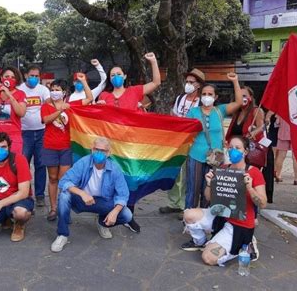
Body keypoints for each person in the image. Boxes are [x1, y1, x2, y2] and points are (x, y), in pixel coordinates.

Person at [97, 52, 161, 233]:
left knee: (131, 181)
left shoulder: (134, 92)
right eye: (112, 75)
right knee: (107, 182)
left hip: (131, 147)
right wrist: (98, 107)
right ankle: (103, 219)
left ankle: (128, 216)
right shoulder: (104, 95)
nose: (116, 77)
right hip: (109, 148)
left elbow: (156, 83)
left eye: (119, 74)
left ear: (125, 76)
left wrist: (153, 62)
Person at [181, 135, 267, 266]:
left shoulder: (254, 173)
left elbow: (263, 203)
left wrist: (249, 188)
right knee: (188, 215)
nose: (233, 150)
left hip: (240, 224)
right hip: (221, 216)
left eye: (237, 148)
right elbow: (208, 198)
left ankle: (244, 246)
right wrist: (210, 184)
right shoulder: (223, 169)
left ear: (245, 152)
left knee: (209, 258)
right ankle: (200, 242)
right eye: (230, 147)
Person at [50, 137, 132, 253]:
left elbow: (123, 195)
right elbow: (64, 181)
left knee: (126, 215)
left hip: (102, 202)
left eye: (103, 151)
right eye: (96, 149)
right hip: (82, 199)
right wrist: (81, 193)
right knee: (64, 195)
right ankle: (62, 235)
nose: (99, 153)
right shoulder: (83, 162)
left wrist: (114, 212)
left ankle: (102, 223)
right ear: (91, 150)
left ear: (109, 153)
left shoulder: (114, 169)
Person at [185, 73, 242, 210]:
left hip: (216, 157)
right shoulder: (193, 112)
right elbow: (185, 131)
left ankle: (206, 219)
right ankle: (190, 219)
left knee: (210, 189)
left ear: (215, 97)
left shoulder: (220, 110)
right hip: (195, 155)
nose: (207, 97)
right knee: (193, 189)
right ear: (200, 96)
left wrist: (235, 81)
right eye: (204, 94)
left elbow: (239, 102)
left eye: (210, 94)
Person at [41, 75, 93, 221]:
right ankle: (53, 208)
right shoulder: (46, 106)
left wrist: (83, 81)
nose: (54, 92)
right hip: (49, 147)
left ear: (64, 92)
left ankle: (64, 208)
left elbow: (89, 98)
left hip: (66, 148)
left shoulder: (71, 104)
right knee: (52, 178)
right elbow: (46, 120)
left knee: (64, 179)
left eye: (57, 90)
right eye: (52, 90)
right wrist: (59, 110)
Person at [159, 68, 205, 218]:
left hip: (194, 143)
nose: (188, 84)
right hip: (177, 142)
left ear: (198, 85)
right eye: (187, 81)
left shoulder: (201, 101)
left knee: (189, 175)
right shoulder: (180, 98)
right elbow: (174, 115)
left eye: (191, 82)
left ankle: (187, 206)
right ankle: (174, 203)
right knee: (175, 172)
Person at [17, 65, 51, 207]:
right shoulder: (19, 90)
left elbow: (49, 106)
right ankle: (26, 193)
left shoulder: (43, 90)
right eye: (32, 75)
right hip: (24, 133)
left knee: (40, 165)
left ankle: (40, 195)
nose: (35, 78)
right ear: (26, 75)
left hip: (42, 132)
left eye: (37, 76)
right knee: (23, 165)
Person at [0, 67, 27, 154]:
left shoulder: (20, 94)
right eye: (7, 76)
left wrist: (9, 95)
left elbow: (21, 113)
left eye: (13, 77)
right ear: (1, 78)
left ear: (17, 80)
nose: (9, 79)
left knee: (13, 164)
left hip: (13, 136)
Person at [274, 116, 297, 185]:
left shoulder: (283, 108)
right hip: (296, 134)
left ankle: (278, 175)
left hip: (283, 134)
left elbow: (277, 123)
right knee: (295, 157)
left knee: (281, 156)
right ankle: (296, 178)